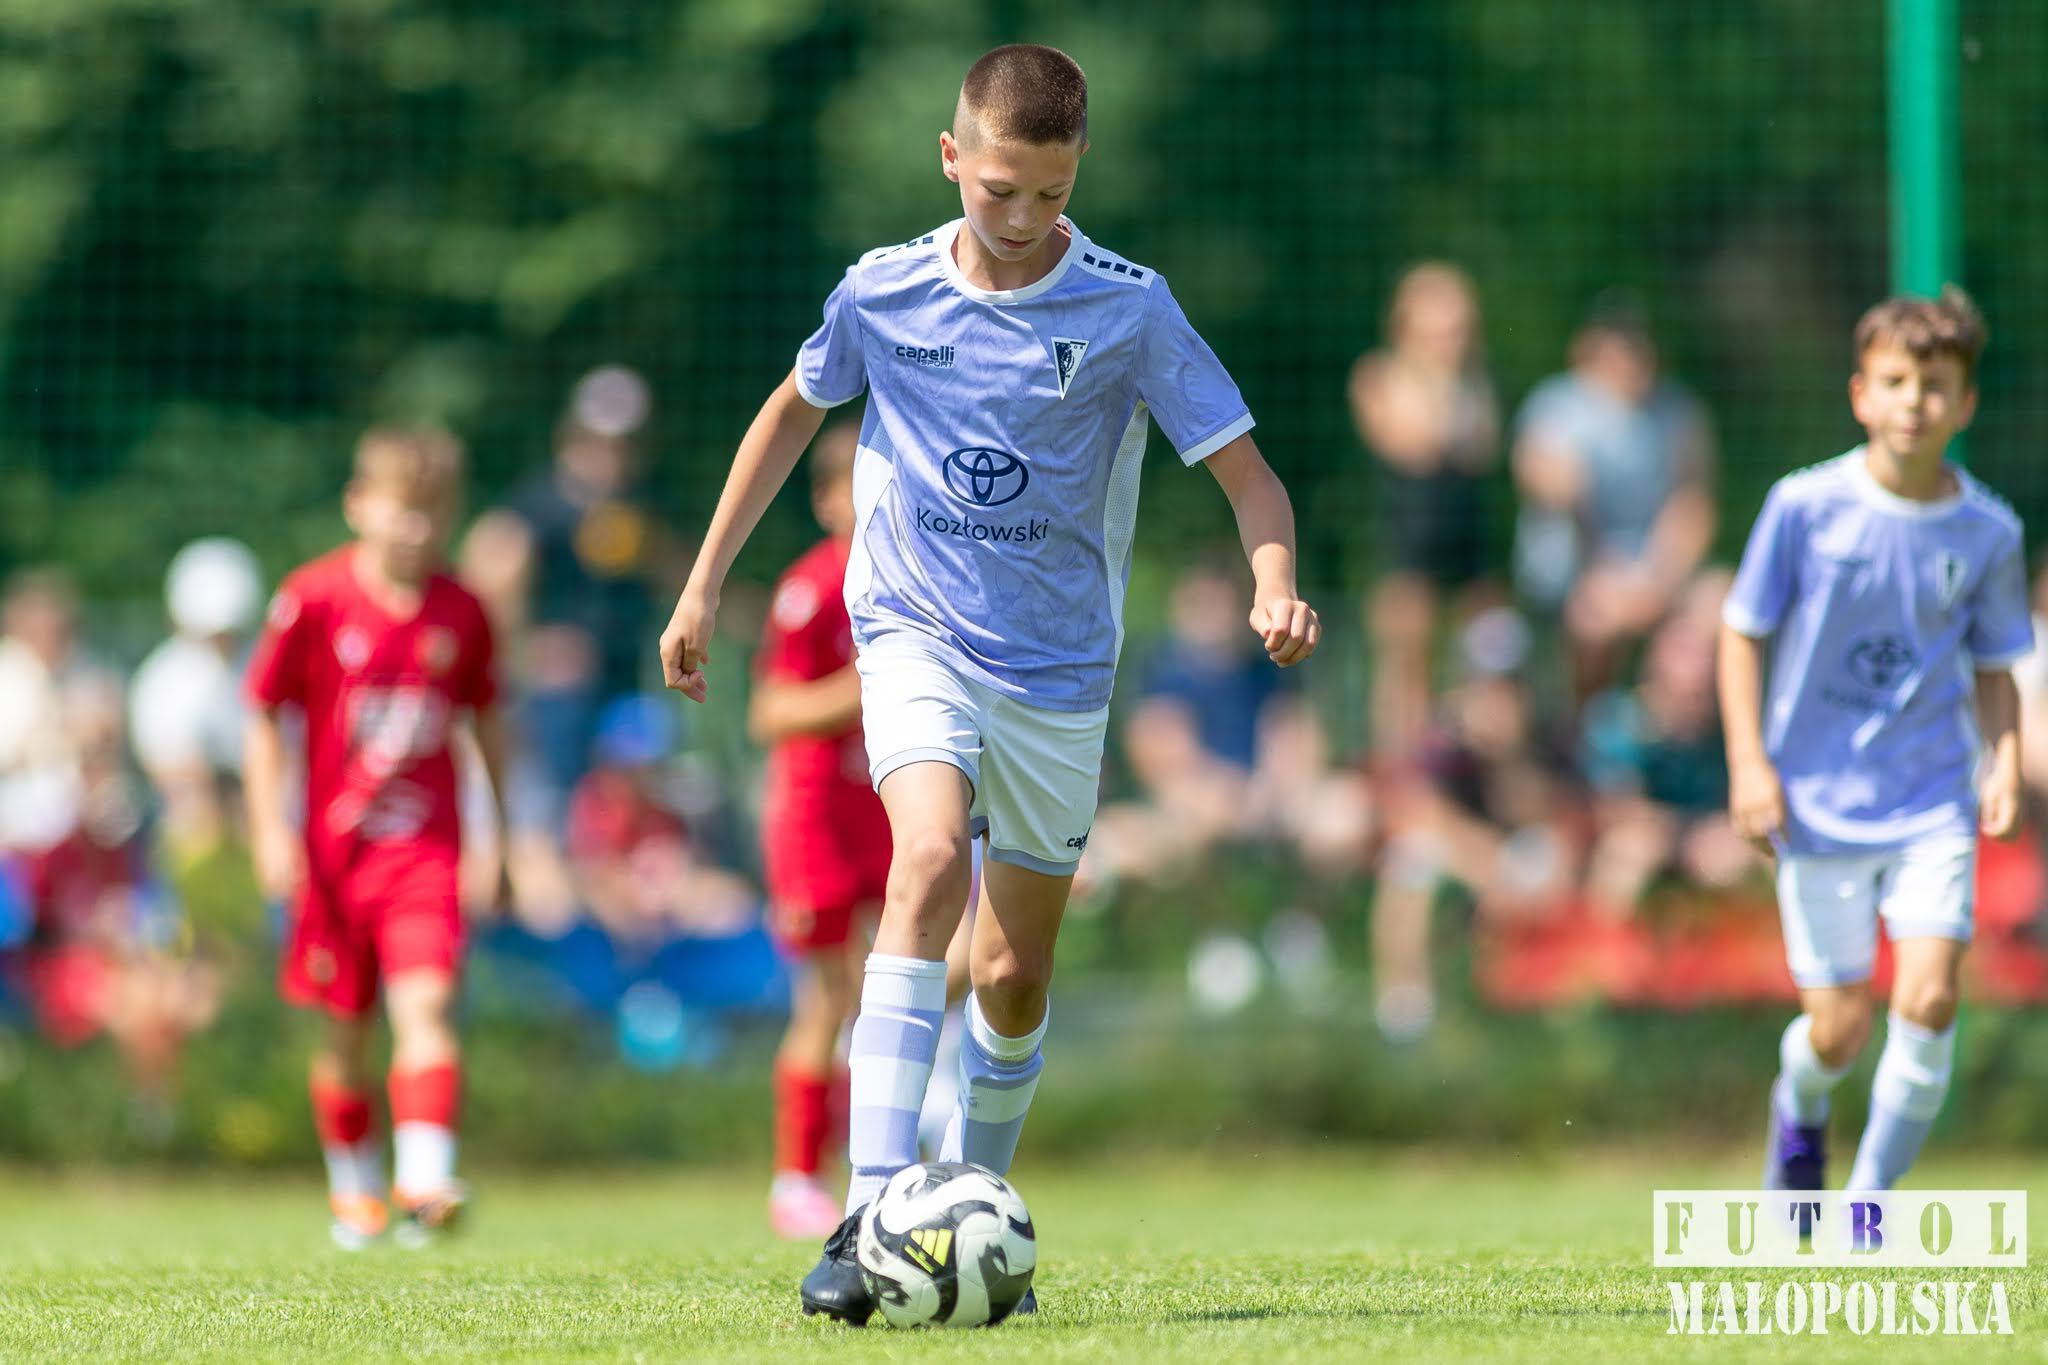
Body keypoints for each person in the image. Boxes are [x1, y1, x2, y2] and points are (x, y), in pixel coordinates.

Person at [657, 44, 1318, 1323]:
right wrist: (700, 588)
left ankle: (974, 1217)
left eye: (1049, 195)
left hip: (1058, 674)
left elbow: (1250, 477)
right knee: (921, 864)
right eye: (998, 189)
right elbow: (788, 413)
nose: (1019, 219)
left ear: (1079, 175)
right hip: (912, 632)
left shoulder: (1129, 309)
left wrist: (1272, 581)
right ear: (951, 157)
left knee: (1012, 972)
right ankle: (868, 1215)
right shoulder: (882, 290)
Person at [1719, 287, 2029, 1192]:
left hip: (1932, 797)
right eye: (1895, 381)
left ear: (1965, 404)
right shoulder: (1803, 506)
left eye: (1935, 386)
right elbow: (1740, 631)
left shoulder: (1989, 533)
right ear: (1861, 394)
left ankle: (1866, 1211)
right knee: (1839, 1029)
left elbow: (1998, 662)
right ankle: (1802, 1101)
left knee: (1929, 998)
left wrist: (2004, 762)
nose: (1913, 402)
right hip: (1816, 801)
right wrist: (1748, 763)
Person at [243, 427, 507, 1248]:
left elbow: (488, 723)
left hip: (425, 852)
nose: (417, 527)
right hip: (332, 860)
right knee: (344, 1033)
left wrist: (500, 838)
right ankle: (354, 1187)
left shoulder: (463, 611)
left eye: (434, 510)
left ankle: (425, 1179)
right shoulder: (313, 598)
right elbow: (263, 714)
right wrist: (269, 828)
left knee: (427, 1003)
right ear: (359, 505)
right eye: (402, 507)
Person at [748, 426, 896, 1239]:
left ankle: (878, 1157)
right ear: (827, 500)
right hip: (818, 821)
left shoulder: (918, 575)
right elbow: (771, 710)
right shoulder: (810, 589)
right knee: (827, 997)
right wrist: (870, 682)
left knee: (898, 987)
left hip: (888, 806)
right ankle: (797, 1176)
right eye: (859, 486)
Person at [1512, 294, 1716, 701]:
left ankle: (1687, 731)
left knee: (1722, 606)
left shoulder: (1679, 413)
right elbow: (1558, 492)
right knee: (1594, 622)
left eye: (1638, 347)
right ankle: (1586, 732)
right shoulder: (1556, 409)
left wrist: (1657, 583)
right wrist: (1608, 579)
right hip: (1577, 574)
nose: (1629, 360)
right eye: (1618, 347)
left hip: (1654, 574)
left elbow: (1692, 507)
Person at [1349, 263, 1500, 758]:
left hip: (1468, 535)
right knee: (1406, 660)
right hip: (1409, 539)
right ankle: (1401, 766)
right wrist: (1437, 386)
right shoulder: (1379, 375)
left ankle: (1467, 761)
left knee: (1482, 658)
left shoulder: (1475, 381)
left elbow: (1483, 449)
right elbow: (1411, 443)